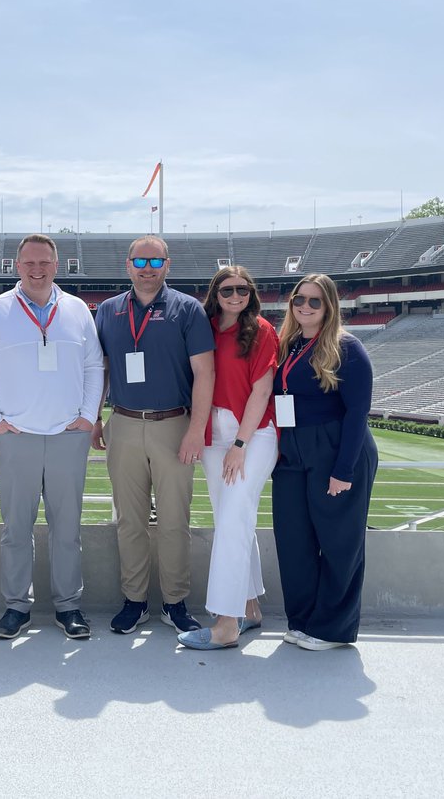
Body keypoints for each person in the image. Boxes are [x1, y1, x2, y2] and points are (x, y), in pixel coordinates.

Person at [0, 234, 103, 640]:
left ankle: (69, 606)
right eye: (29, 263)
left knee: (68, 526)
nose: (37, 269)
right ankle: (15, 606)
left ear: (56, 265)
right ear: (16, 266)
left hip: (68, 434)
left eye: (44, 262)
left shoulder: (77, 309)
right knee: (16, 527)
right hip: (16, 435)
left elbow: (94, 365)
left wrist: (87, 416)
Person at [92, 235, 215, 635]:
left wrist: (196, 429)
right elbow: (101, 369)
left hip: (173, 424)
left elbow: (204, 373)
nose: (147, 269)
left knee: (175, 521)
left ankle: (176, 601)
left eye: (155, 262)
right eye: (140, 262)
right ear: (127, 265)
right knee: (130, 520)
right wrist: (95, 417)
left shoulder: (188, 309)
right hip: (124, 423)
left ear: (167, 265)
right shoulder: (109, 310)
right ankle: (135, 600)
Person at [271, 273, 378, 651]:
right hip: (292, 449)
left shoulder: (347, 347)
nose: (305, 306)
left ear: (329, 306)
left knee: (338, 542)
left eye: (315, 301)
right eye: (299, 299)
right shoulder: (288, 344)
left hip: (335, 447)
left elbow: (357, 413)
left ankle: (332, 629)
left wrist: (343, 471)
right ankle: (302, 621)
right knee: (292, 539)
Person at [177, 265, 278, 650]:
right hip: (212, 429)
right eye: (227, 290)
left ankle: (225, 623)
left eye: (243, 290)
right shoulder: (204, 326)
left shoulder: (262, 331)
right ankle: (250, 608)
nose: (235, 297)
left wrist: (240, 444)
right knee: (231, 518)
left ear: (251, 294)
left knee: (233, 520)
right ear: (215, 294)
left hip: (251, 433)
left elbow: (261, 390)